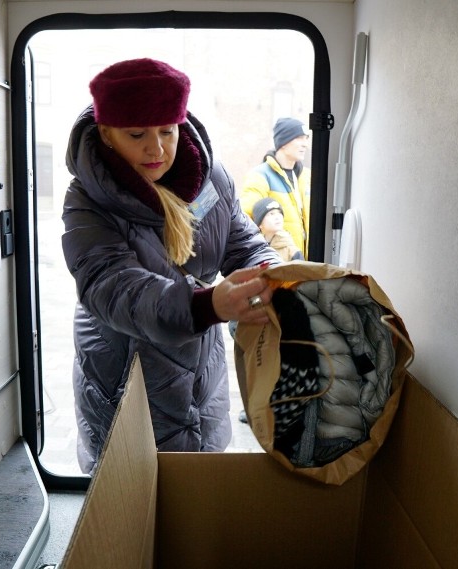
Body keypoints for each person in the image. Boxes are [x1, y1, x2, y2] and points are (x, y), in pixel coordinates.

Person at [61, 58, 281, 474]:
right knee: (132, 512)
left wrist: (273, 274)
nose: (156, 148)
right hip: (123, 378)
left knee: (202, 499)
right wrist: (208, 306)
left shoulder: (211, 179)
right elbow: (112, 288)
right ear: (107, 134)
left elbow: (243, 242)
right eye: (137, 134)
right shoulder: (86, 201)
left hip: (203, 377)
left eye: (167, 130)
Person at [240, 117, 311, 258]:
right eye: (299, 138)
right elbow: (246, 223)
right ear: (283, 143)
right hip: (278, 266)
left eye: (306, 138)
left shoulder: (307, 176)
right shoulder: (260, 176)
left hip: (306, 264)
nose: (305, 144)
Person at [251, 197, 303, 262]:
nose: (277, 217)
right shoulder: (253, 250)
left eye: (279, 213)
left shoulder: (293, 252)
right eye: (271, 214)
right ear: (259, 224)